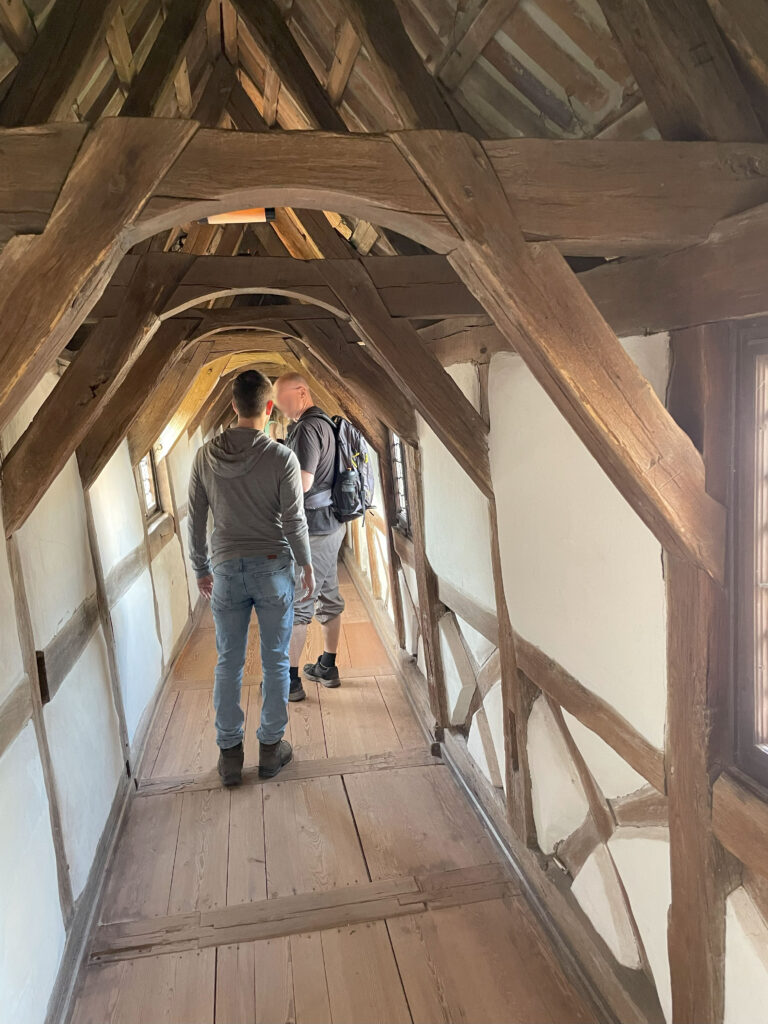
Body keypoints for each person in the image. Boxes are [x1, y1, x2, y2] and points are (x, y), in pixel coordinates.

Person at [188, 370, 315, 785]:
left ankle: (229, 756)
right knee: (276, 661)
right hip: (273, 566)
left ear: (232, 406)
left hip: (225, 571)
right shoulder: (282, 458)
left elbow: (196, 517)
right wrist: (307, 563)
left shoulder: (205, 456)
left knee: (229, 662)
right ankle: (270, 749)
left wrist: (201, 567)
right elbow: (295, 521)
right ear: (269, 407)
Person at [274, 372, 346, 702]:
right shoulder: (327, 423)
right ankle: (327, 666)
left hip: (314, 529)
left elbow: (301, 484)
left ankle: (290, 682)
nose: (278, 406)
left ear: (301, 392)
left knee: (300, 604)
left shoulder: (305, 429)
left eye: (282, 399)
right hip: (333, 523)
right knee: (328, 595)